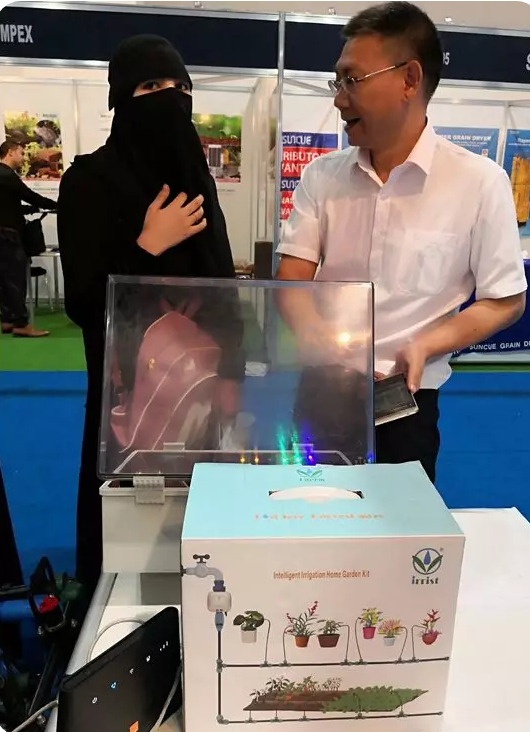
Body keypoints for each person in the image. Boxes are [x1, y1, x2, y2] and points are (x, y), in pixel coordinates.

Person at [276, 1, 527, 483]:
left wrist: (426, 344)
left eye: (352, 80)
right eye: (337, 81)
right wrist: (326, 348)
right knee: (306, 514)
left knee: (401, 524)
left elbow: (505, 299)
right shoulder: (323, 177)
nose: (339, 100)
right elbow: (292, 278)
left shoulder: (478, 183)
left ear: (409, 80)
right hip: (322, 392)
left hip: (407, 402)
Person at [58, 35, 240, 594]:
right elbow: (84, 303)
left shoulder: (195, 179)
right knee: (124, 518)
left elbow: (223, 286)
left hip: (200, 385)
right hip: (128, 392)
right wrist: (146, 247)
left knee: (202, 518)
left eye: (181, 86)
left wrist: (235, 370)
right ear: (121, 97)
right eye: (151, 85)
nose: (170, 97)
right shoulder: (87, 181)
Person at [0, 140, 57, 337]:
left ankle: (7, 319)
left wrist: (27, 209)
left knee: (4, 279)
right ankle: (21, 324)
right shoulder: (7, 175)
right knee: (16, 279)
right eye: (21, 153)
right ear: (10, 152)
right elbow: (29, 195)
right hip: (8, 235)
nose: (23, 157)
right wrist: (57, 205)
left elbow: (8, 205)